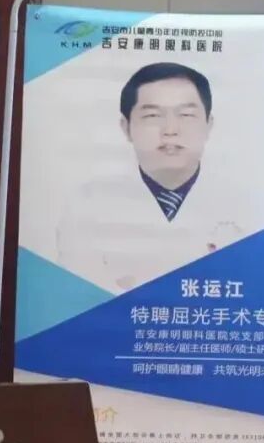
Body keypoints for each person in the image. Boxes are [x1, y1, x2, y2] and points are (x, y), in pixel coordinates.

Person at [56, 62, 245, 293]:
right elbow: (78, 295)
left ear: (208, 125)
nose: (170, 130)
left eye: (186, 115)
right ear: (126, 128)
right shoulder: (86, 206)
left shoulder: (246, 206)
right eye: (153, 115)